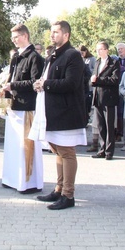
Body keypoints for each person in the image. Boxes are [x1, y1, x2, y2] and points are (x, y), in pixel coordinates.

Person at [32, 21, 87, 210]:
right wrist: (38, 83)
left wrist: (45, 85)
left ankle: (68, 195)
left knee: (66, 153)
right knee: (57, 151)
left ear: (66, 35)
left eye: (56, 32)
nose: (52, 35)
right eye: (51, 32)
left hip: (67, 112)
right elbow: (46, 79)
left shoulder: (73, 55)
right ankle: (59, 189)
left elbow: (71, 83)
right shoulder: (51, 56)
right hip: (52, 112)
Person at [0, 23, 44, 194]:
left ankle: (28, 182)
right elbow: (11, 76)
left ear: (25, 36)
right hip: (14, 106)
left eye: (16, 37)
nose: (14, 40)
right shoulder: (16, 56)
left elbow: (35, 82)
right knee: (14, 146)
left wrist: (12, 85)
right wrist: (5, 89)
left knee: (26, 147)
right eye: (12, 38)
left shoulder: (34, 57)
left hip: (27, 108)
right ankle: (12, 179)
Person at [91, 41, 120, 160]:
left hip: (109, 98)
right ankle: (101, 149)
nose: (98, 51)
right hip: (97, 97)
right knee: (100, 126)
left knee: (109, 125)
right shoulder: (98, 62)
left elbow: (115, 79)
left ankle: (109, 151)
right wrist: (93, 81)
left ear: (107, 50)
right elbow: (93, 78)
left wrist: (98, 80)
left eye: (101, 49)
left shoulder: (113, 62)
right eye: (97, 49)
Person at [79, 45, 99, 152]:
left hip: (84, 92)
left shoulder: (85, 64)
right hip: (76, 93)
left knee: (85, 113)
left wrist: (81, 81)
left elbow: (89, 76)